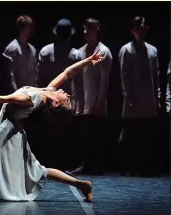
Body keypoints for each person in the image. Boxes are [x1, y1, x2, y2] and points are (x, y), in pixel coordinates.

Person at [0, 49, 104, 203]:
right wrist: (89, 60)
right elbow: (68, 72)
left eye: (67, 100)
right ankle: (82, 185)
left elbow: (4, 98)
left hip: (5, 130)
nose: (68, 95)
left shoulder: (34, 99)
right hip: (15, 132)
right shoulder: (48, 90)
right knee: (39, 171)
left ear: (55, 103)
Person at [67, 18, 113, 175]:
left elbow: (104, 80)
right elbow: (76, 80)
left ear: (97, 29)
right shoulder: (79, 52)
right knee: (85, 135)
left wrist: (98, 102)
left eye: (90, 28)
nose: (86, 32)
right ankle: (85, 164)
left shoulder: (103, 52)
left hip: (96, 102)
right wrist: (77, 102)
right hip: (84, 102)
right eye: (85, 28)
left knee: (96, 135)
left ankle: (97, 165)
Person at [118, 16, 160, 176]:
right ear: (132, 31)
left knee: (146, 133)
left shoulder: (152, 50)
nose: (141, 32)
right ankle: (128, 166)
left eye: (144, 28)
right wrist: (128, 97)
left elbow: (155, 76)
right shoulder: (126, 50)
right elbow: (124, 75)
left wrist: (157, 97)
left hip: (148, 98)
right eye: (138, 28)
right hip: (133, 100)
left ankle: (144, 167)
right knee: (129, 134)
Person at [37, 18, 83, 114]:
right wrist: (80, 106)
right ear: (70, 36)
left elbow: (39, 81)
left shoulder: (45, 52)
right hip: (64, 104)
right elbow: (79, 85)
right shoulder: (75, 55)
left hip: (49, 103)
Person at [3, 15, 37, 93]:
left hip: (31, 94)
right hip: (17, 94)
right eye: (29, 27)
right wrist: (16, 95)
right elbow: (10, 76)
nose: (31, 30)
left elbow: (34, 74)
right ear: (21, 29)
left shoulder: (33, 50)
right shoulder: (12, 48)